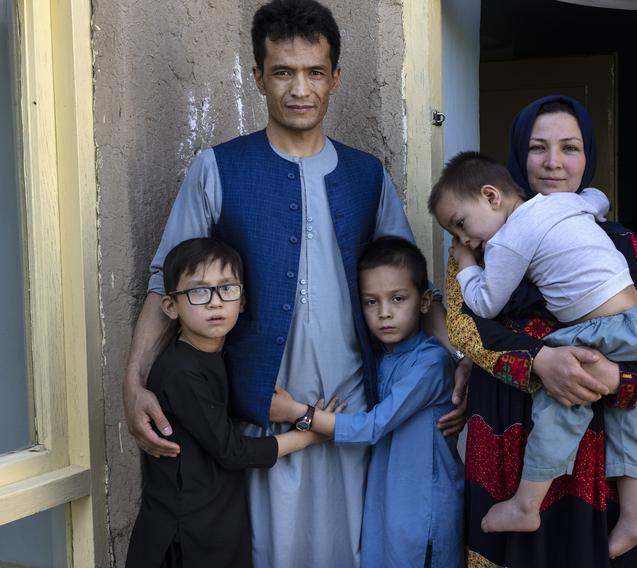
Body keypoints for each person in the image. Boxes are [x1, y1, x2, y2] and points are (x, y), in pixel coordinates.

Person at [121, 2, 467, 566]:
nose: (299, 89)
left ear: (335, 78)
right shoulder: (217, 169)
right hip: (259, 410)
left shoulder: (368, 175)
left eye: (313, 72)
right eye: (282, 72)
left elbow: (414, 289)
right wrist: (134, 384)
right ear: (258, 77)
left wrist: (460, 364)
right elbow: (166, 283)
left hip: (354, 412)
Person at [447, 95, 637, 567]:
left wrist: (620, 381)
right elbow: (466, 327)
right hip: (508, 441)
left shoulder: (616, 239)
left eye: (570, 148)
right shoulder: (483, 242)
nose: (554, 163)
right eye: (538, 148)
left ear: (588, 155)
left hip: (601, 457)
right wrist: (541, 360)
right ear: (517, 154)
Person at [125, 237, 343, 568]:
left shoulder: (216, 354)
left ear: (242, 301)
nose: (215, 302)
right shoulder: (181, 373)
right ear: (171, 306)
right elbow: (231, 451)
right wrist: (310, 433)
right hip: (184, 533)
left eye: (227, 289)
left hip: (214, 519)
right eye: (198, 292)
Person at [269, 236, 464, 568]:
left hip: (425, 508)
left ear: (425, 301)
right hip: (389, 503)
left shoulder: (430, 363)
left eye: (398, 298)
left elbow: (374, 425)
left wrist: (299, 413)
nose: (384, 313)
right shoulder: (381, 359)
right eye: (371, 302)